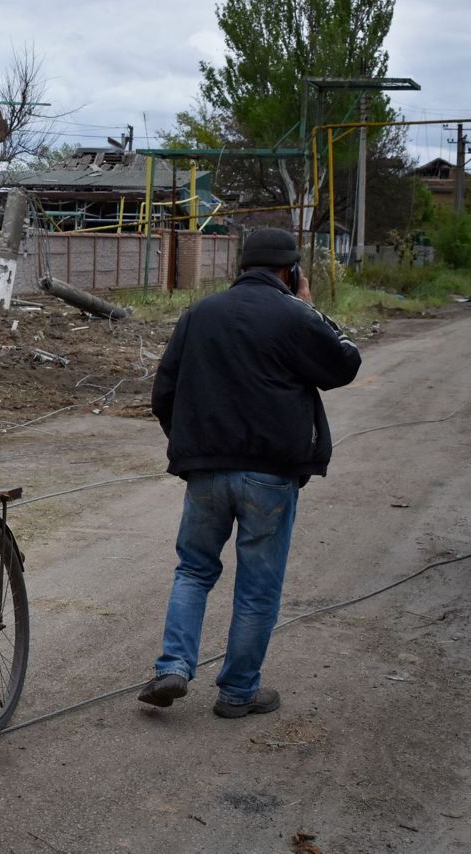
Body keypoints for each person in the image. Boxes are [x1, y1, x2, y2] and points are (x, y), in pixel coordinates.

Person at [138, 227, 361, 717]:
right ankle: (238, 692)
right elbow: (345, 364)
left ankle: (173, 666)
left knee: (193, 571)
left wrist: (191, 445)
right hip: (270, 476)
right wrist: (309, 306)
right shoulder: (293, 316)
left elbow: (164, 394)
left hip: (206, 472)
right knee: (257, 586)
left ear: (241, 267)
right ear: (292, 271)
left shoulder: (199, 313)